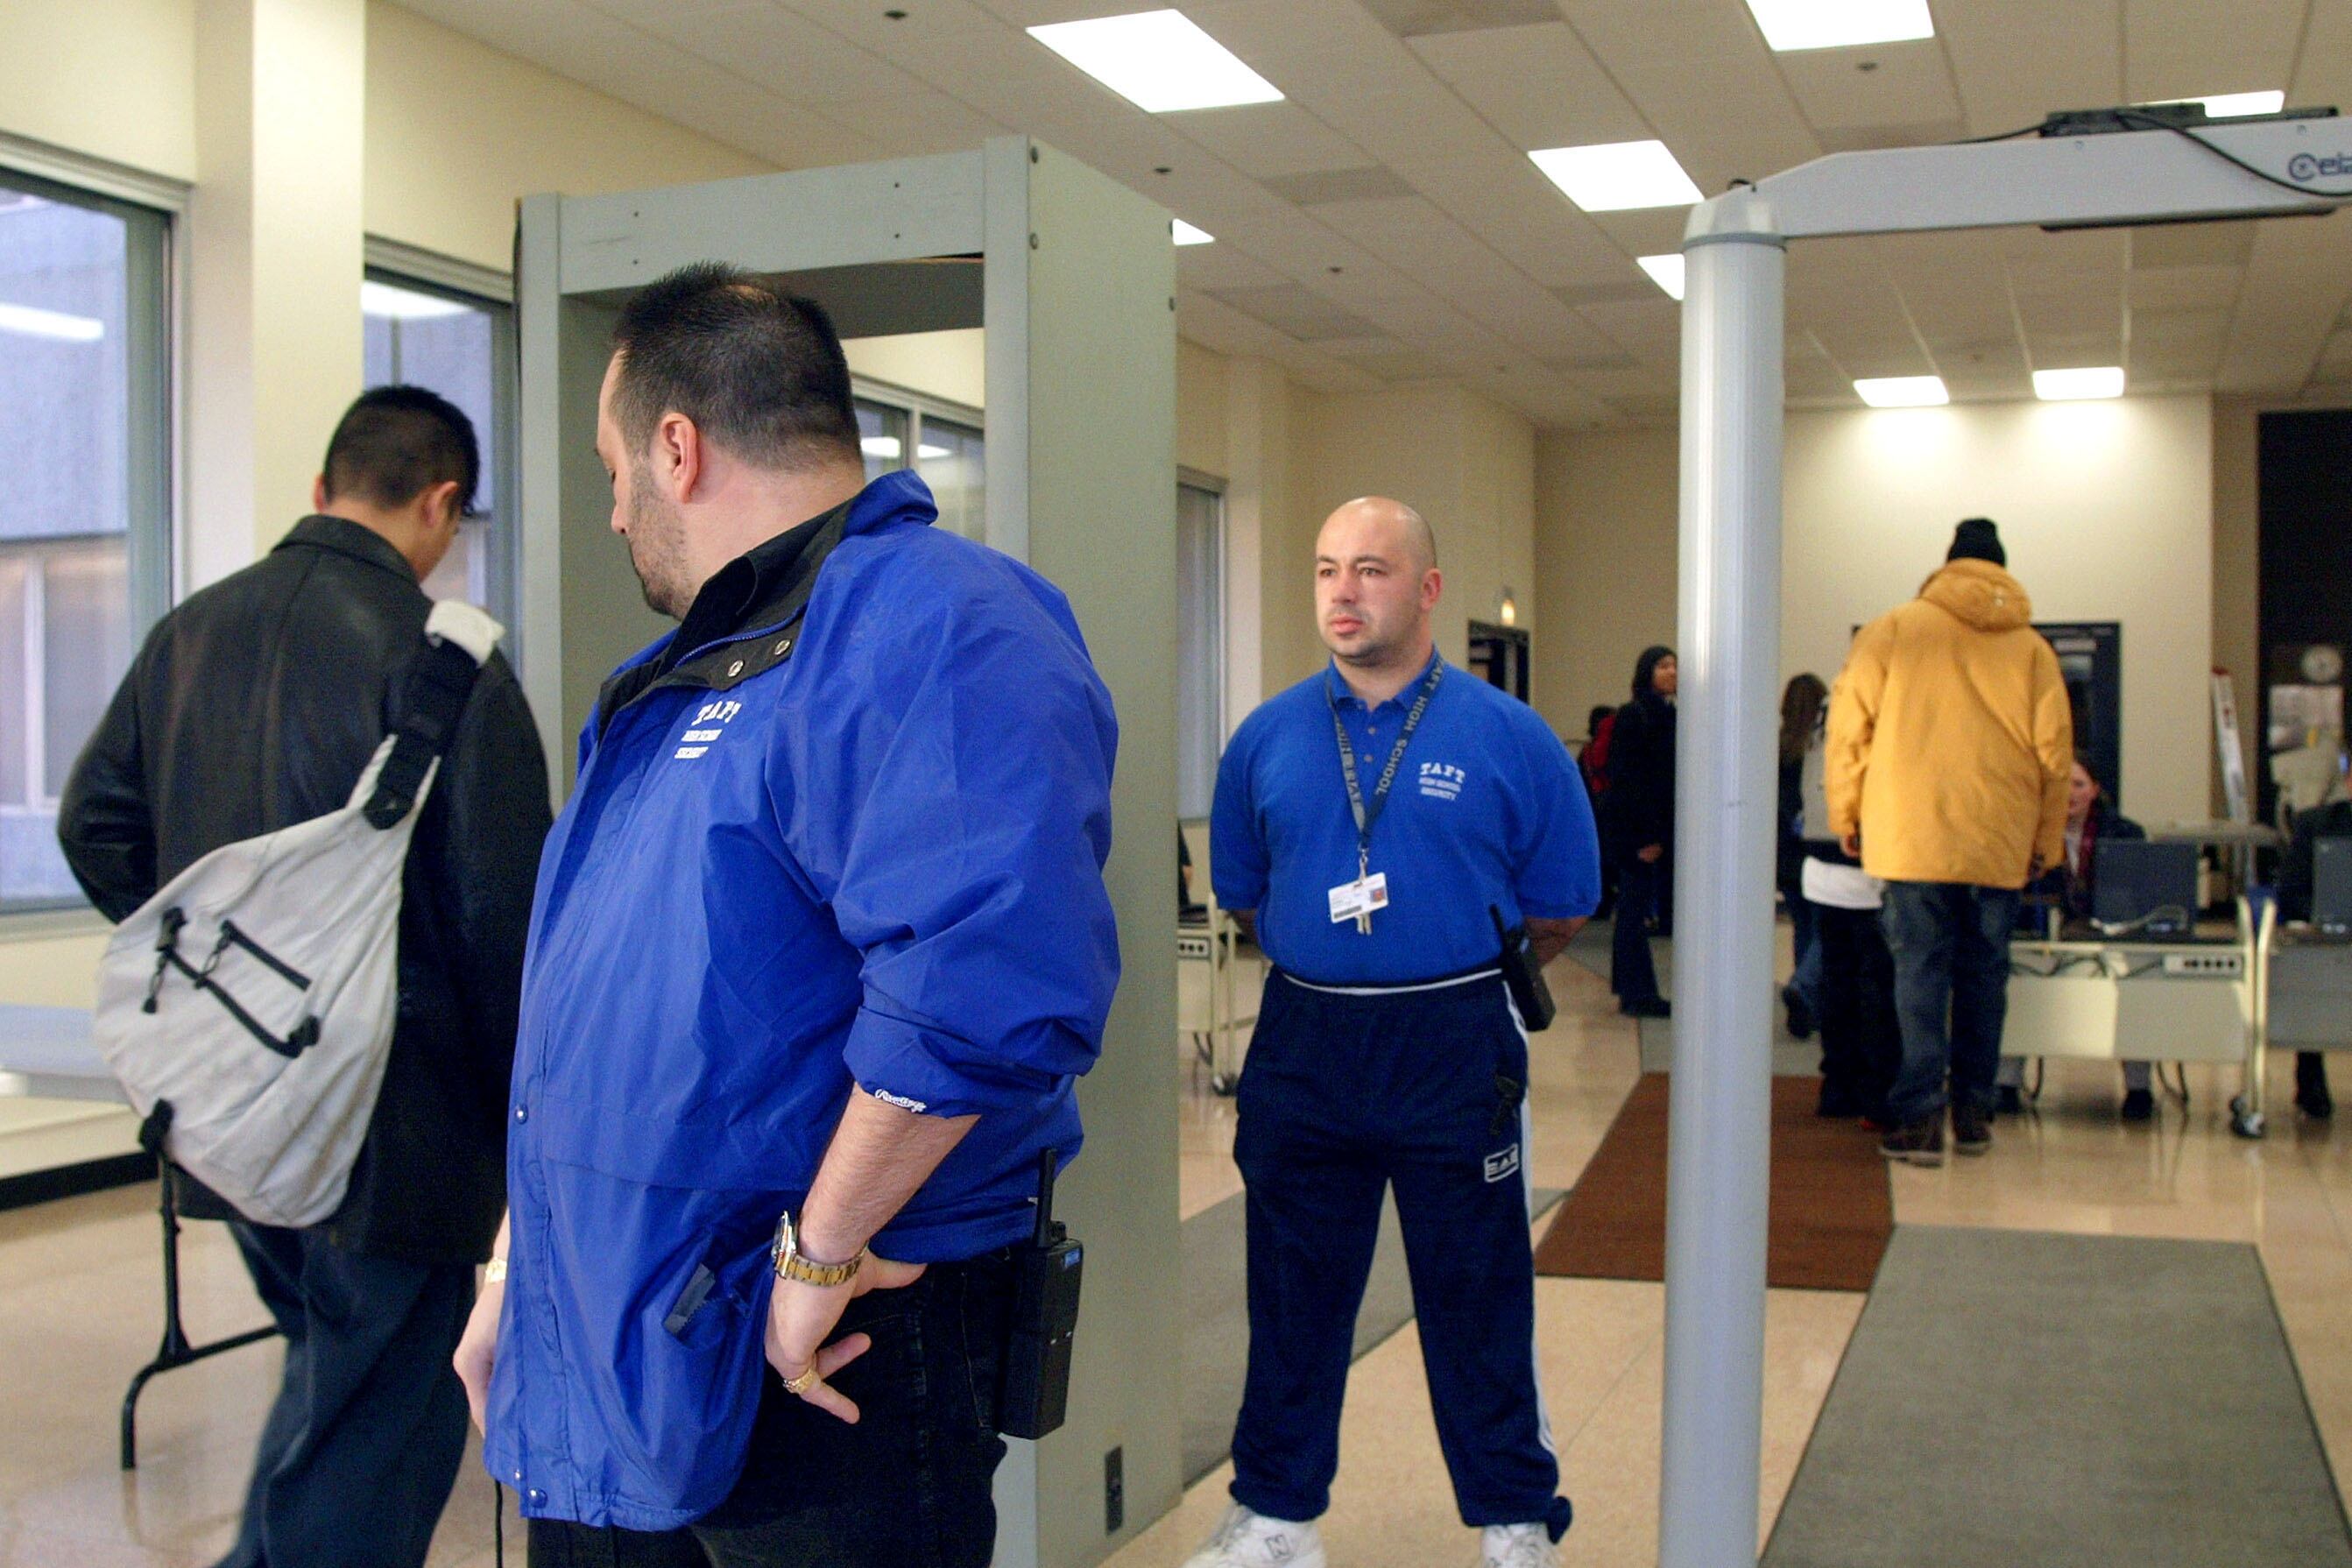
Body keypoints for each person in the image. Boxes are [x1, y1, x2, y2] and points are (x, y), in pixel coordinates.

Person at [455, 265, 1119, 1567]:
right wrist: (509, 1271)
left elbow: (980, 988)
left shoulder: (937, 620)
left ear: (677, 447)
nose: (611, 511)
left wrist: (816, 1261)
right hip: (621, 1317)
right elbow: (590, 1015)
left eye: (611, 468)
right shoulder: (669, 683)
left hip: (828, 1336)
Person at [58, 386, 552, 1568]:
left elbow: (95, 825)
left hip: (230, 1111)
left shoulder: (188, 629)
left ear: (324, 488)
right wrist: (519, 1124)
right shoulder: (447, 667)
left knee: (336, 1378)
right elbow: (502, 922)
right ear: (442, 503)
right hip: (400, 1128)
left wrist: (219, 969)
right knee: (379, 1430)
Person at [1195, 497, 1599, 1568]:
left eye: (1370, 569)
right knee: (1291, 1292)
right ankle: (1275, 1518)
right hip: (1306, 1044)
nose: (1341, 590)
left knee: (1477, 1293)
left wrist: (1439, 972)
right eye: (1327, 568)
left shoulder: (1508, 737)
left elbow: (1559, 908)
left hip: (1452, 1043)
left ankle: (1517, 1519)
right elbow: (1247, 893)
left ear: (1426, 588)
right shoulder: (1267, 738)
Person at [1826, 518, 2071, 1167]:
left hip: (1912, 833)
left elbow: (1849, 731)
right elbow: (2054, 757)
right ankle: (1974, 1113)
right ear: (2002, 570)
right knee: (1985, 976)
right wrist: (2044, 839)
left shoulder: (1895, 629)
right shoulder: (2032, 650)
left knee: (1918, 972)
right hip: (2000, 836)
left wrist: (1847, 813)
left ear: (1946, 564)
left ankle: (1916, 1122)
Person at [1995, 755, 2155, 1119]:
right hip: (2043, 934)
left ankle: (2139, 1088)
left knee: (2139, 984)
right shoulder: (2028, 830)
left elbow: (2136, 892)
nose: (2070, 794)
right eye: (2062, 784)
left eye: (2079, 785)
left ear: (2095, 790)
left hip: (2110, 934)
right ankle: (2006, 1083)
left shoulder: (2125, 832)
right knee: (2018, 982)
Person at [1606, 646, 1677, 1019]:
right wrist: (1646, 836)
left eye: (1674, 666)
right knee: (1633, 910)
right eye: (1663, 666)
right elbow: (1630, 780)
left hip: (1655, 829)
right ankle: (1637, 991)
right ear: (1647, 671)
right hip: (1638, 832)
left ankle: (1631, 987)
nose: (1672, 672)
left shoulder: (1668, 715)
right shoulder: (1636, 717)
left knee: (1634, 910)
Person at [2274, 791, 2348, 1119]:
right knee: (2311, 974)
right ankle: (2310, 1076)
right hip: (2324, 941)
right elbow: (2290, 892)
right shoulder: (2316, 824)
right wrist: (2324, 915)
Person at [1777, 673, 1830, 1041]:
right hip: (1817, 848)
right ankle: (1806, 988)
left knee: (1803, 927)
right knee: (1827, 928)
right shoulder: (1820, 748)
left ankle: (1804, 1001)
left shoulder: (1779, 746)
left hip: (1786, 856)